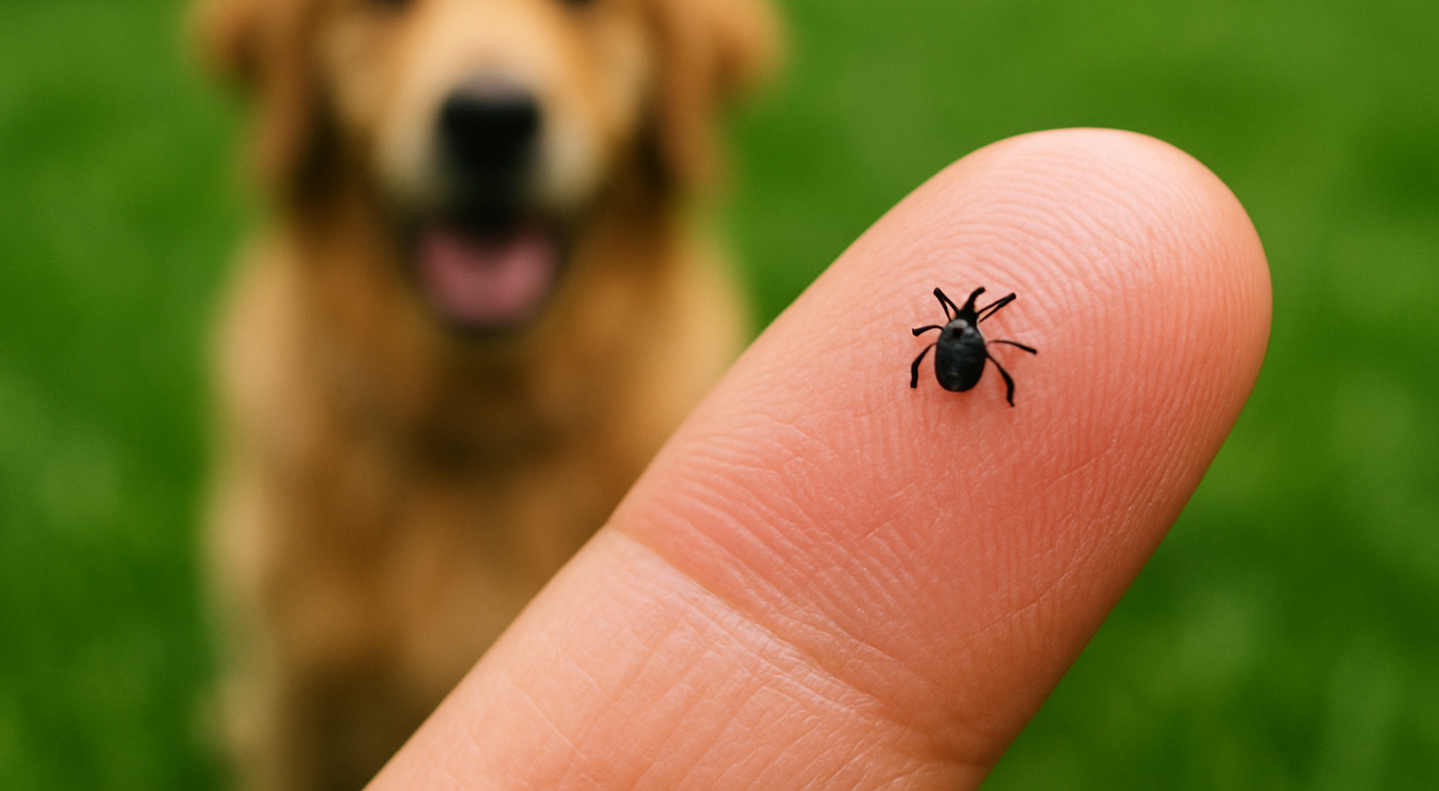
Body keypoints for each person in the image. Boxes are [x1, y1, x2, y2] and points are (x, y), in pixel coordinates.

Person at [366, 128, 1273, 790]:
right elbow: (961, 354)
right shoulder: (976, 342)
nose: (961, 335)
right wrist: (983, 372)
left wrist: (946, 371)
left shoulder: (946, 337)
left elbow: (932, 351)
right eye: (961, 327)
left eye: (965, 329)